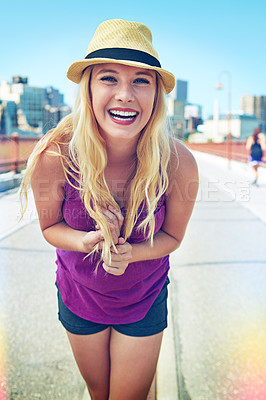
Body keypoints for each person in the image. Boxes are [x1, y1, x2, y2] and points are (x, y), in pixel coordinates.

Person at [20, 19, 198, 400]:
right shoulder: (56, 154)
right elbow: (50, 227)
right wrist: (88, 241)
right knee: (100, 393)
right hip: (78, 297)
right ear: (87, 87)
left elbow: (174, 236)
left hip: (144, 299)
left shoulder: (178, 162)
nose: (125, 94)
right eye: (108, 78)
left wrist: (131, 252)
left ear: (156, 94)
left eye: (140, 81)